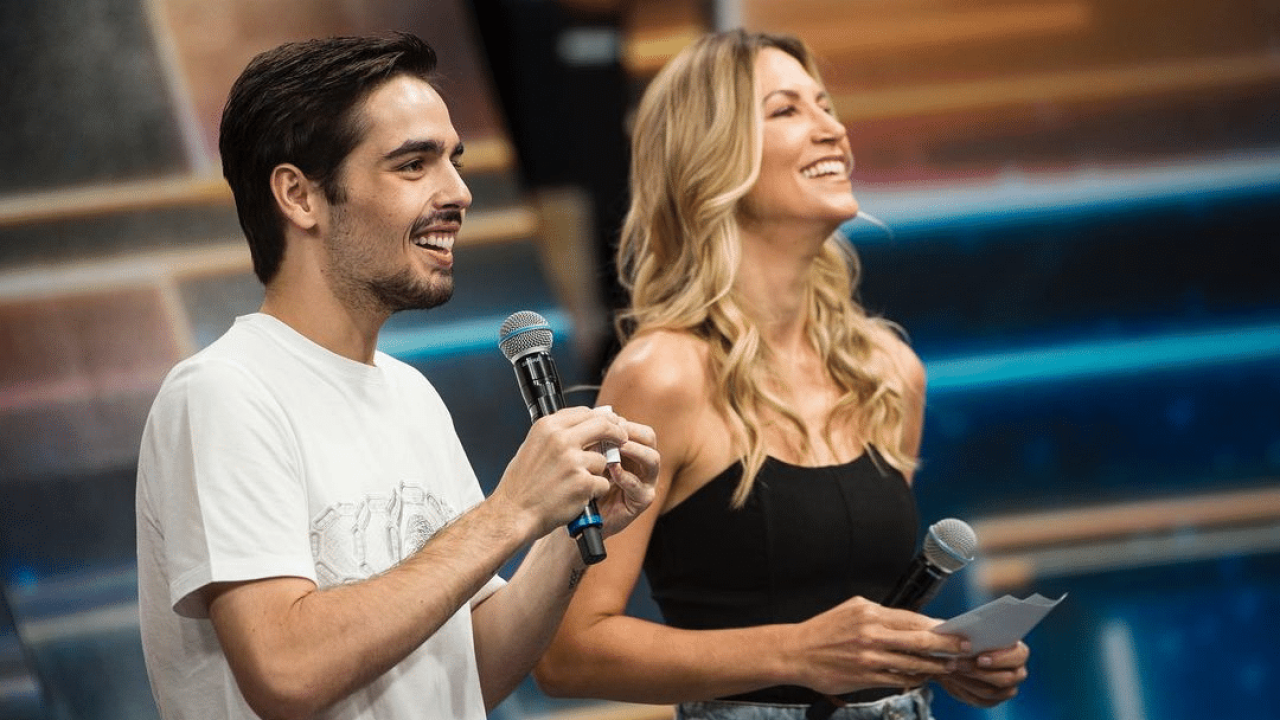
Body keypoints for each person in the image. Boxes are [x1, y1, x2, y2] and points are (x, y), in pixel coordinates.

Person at [134, 32, 659, 720]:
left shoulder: (411, 393)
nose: (459, 193)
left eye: (454, 161)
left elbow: (475, 668)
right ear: (299, 196)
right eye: (414, 165)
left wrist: (569, 529)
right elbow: (286, 671)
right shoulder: (224, 394)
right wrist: (511, 513)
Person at [533, 30, 1030, 719]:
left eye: (827, 106)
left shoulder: (887, 371)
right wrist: (795, 654)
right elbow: (567, 653)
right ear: (711, 157)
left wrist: (941, 657)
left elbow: (860, 625)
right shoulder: (663, 374)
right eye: (788, 110)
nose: (834, 130)